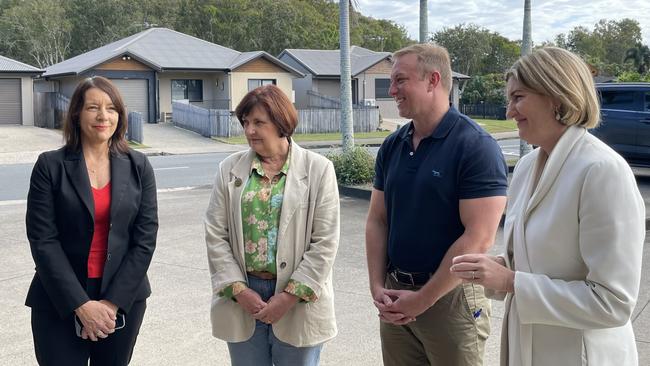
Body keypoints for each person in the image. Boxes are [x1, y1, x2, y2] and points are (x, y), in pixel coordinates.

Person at [450, 47, 645, 366]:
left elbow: (613, 303)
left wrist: (510, 281)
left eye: (518, 97)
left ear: (557, 96)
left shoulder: (602, 171)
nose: (508, 112)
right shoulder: (526, 167)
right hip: (527, 348)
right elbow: (542, 261)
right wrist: (496, 268)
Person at [365, 43, 508, 365]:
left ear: (432, 80)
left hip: (451, 298)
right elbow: (377, 219)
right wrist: (377, 285)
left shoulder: (475, 146)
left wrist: (423, 299)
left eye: (401, 80)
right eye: (392, 82)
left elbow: (479, 237)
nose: (392, 91)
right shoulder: (393, 145)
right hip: (395, 291)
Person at [25, 76, 158, 365]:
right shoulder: (50, 166)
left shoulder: (139, 166)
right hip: (59, 299)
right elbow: (43, 241)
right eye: (93, 107)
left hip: (122, 301)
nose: (103, 116)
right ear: (76, 113)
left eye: (111, 108)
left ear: (119, 116)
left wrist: (110, 304)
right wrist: (81, 305)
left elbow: (145, 238)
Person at [205, 85, 339, 366]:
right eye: (245, 122)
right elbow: (216, 234)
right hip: (244, 297)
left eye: (258, 123)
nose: (249, 130)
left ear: (281, 123)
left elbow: (325, 242)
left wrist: (288, 297)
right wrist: (239, 291)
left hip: (297, 299)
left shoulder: (319, 169)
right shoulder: (229, 169)